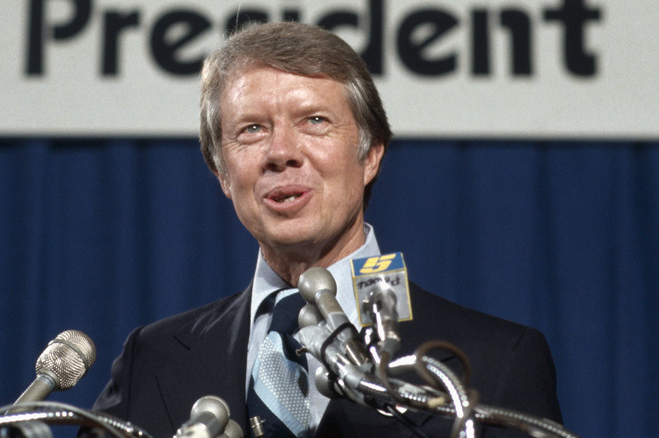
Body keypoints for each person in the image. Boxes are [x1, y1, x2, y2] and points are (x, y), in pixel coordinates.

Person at [89, 22, 563, 438]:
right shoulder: (151, 362)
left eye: (315, 121)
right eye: (251, 129)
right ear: (221, 173)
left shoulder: (493, 363)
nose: (281, 152)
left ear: (370, 155)